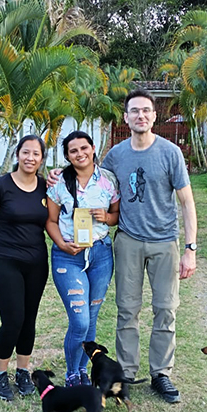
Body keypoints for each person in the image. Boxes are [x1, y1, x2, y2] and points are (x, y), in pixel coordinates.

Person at [48, 89, 197, 403]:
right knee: (127, 310)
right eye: (134, 111)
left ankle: (161, 374)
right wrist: (55, 176)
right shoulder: (116, 155)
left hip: (163, 242)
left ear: (154, 116)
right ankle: (126, 372)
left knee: (165, 310)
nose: (140, 116)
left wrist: (190, 248)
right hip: (127, 241)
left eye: (146, 110)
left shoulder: (170, 153)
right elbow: (90, 176)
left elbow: (186, 202)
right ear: (126, 117)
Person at [0, 135, 50, 401]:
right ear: (18, 154)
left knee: (29, 319)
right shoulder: (0, 187)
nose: (30, 158)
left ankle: (22, 371)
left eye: (36, 154)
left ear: (42, 159)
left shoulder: (46, 187)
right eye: (26, 152)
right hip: (6, 261)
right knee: (13, 320)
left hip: (37, 263)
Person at [46, 131, 120, 387]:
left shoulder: (108, 180)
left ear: (93, 148)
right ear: (67, 156)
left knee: (92, 315)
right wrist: (62, 244)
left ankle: (82, 371)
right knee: (80, 320)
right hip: (69, 257)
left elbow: (116, 215)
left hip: (100, 254)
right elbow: (51, 220)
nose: (80, 154)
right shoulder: (58, 182)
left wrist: (106, 218)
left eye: (84, 148)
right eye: (73, 151)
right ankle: (72, 374)